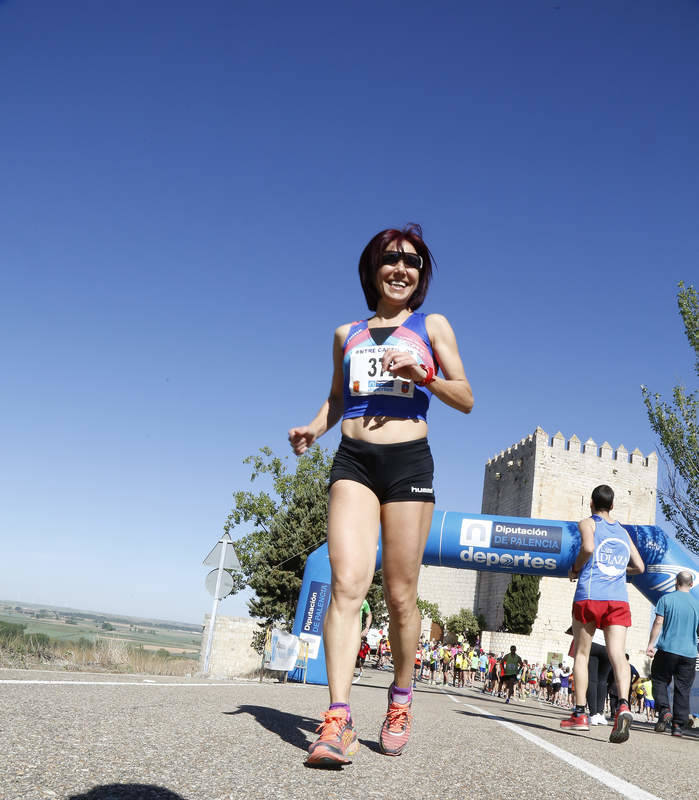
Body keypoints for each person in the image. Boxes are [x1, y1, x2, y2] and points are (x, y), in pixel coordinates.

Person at [289, 224, 474, 767]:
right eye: (391, 259)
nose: (401, 268)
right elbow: (335, 398)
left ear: (420, 276)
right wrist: (312, 428)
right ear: (372, 269)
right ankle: (338, 719)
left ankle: (399, 698)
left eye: (412, 262)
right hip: (352, 460)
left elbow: (465, 397)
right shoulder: (345, 332)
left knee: (399, 595)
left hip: (408, 463)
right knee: (348, 582)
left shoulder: (431, 325)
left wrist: (424, 375)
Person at [560, 484, 645, 744]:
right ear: (613, 505)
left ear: (591, 504)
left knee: (582, 654)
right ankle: (622, 704)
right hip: (618, 599)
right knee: (618, 655)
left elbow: (587, 548)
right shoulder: (622, 531)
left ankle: (580, 714)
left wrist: (575, 568)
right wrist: (620, 569)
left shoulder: (588, 523)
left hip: (590, 594)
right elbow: (639, 567)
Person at [646, 569, 699, 738]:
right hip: (689, 653)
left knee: (659, 680)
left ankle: (664, 710)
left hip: (667, 649)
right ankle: (677, 726)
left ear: (676, 582)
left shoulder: (666, 599)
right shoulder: (697, 604)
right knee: (683, 689)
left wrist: (651, 644)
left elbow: (658, 622)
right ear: (691, 585)